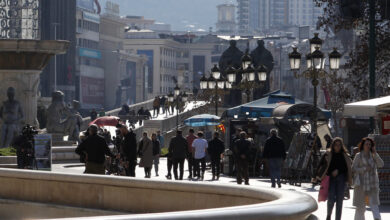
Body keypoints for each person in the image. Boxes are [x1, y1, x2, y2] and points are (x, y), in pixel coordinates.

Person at [315, 137, 352, 220]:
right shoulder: (328, 154)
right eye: (336, 145)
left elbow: (347, 167)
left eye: (339, 145)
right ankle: (328, 215)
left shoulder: (345, 155)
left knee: (340, 200)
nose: (337, 147)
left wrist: (338, 171)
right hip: (330, 178)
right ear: (333, 145)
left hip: (341, 179)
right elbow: (321, 165)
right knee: (331, 198)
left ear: (342, 146)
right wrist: (316, 176)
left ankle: (338, 218)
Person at [352, 137, 384, 220]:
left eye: (370, 144)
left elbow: (381, 164)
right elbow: (353, 168)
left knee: (374, 205)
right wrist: (364, 169)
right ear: (363, 145)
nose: (368, 146)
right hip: (361, 185)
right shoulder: (358, 156)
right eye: (366, 144)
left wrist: (375, 153)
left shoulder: (373, 156)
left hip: (372, 185)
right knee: (360, 207)